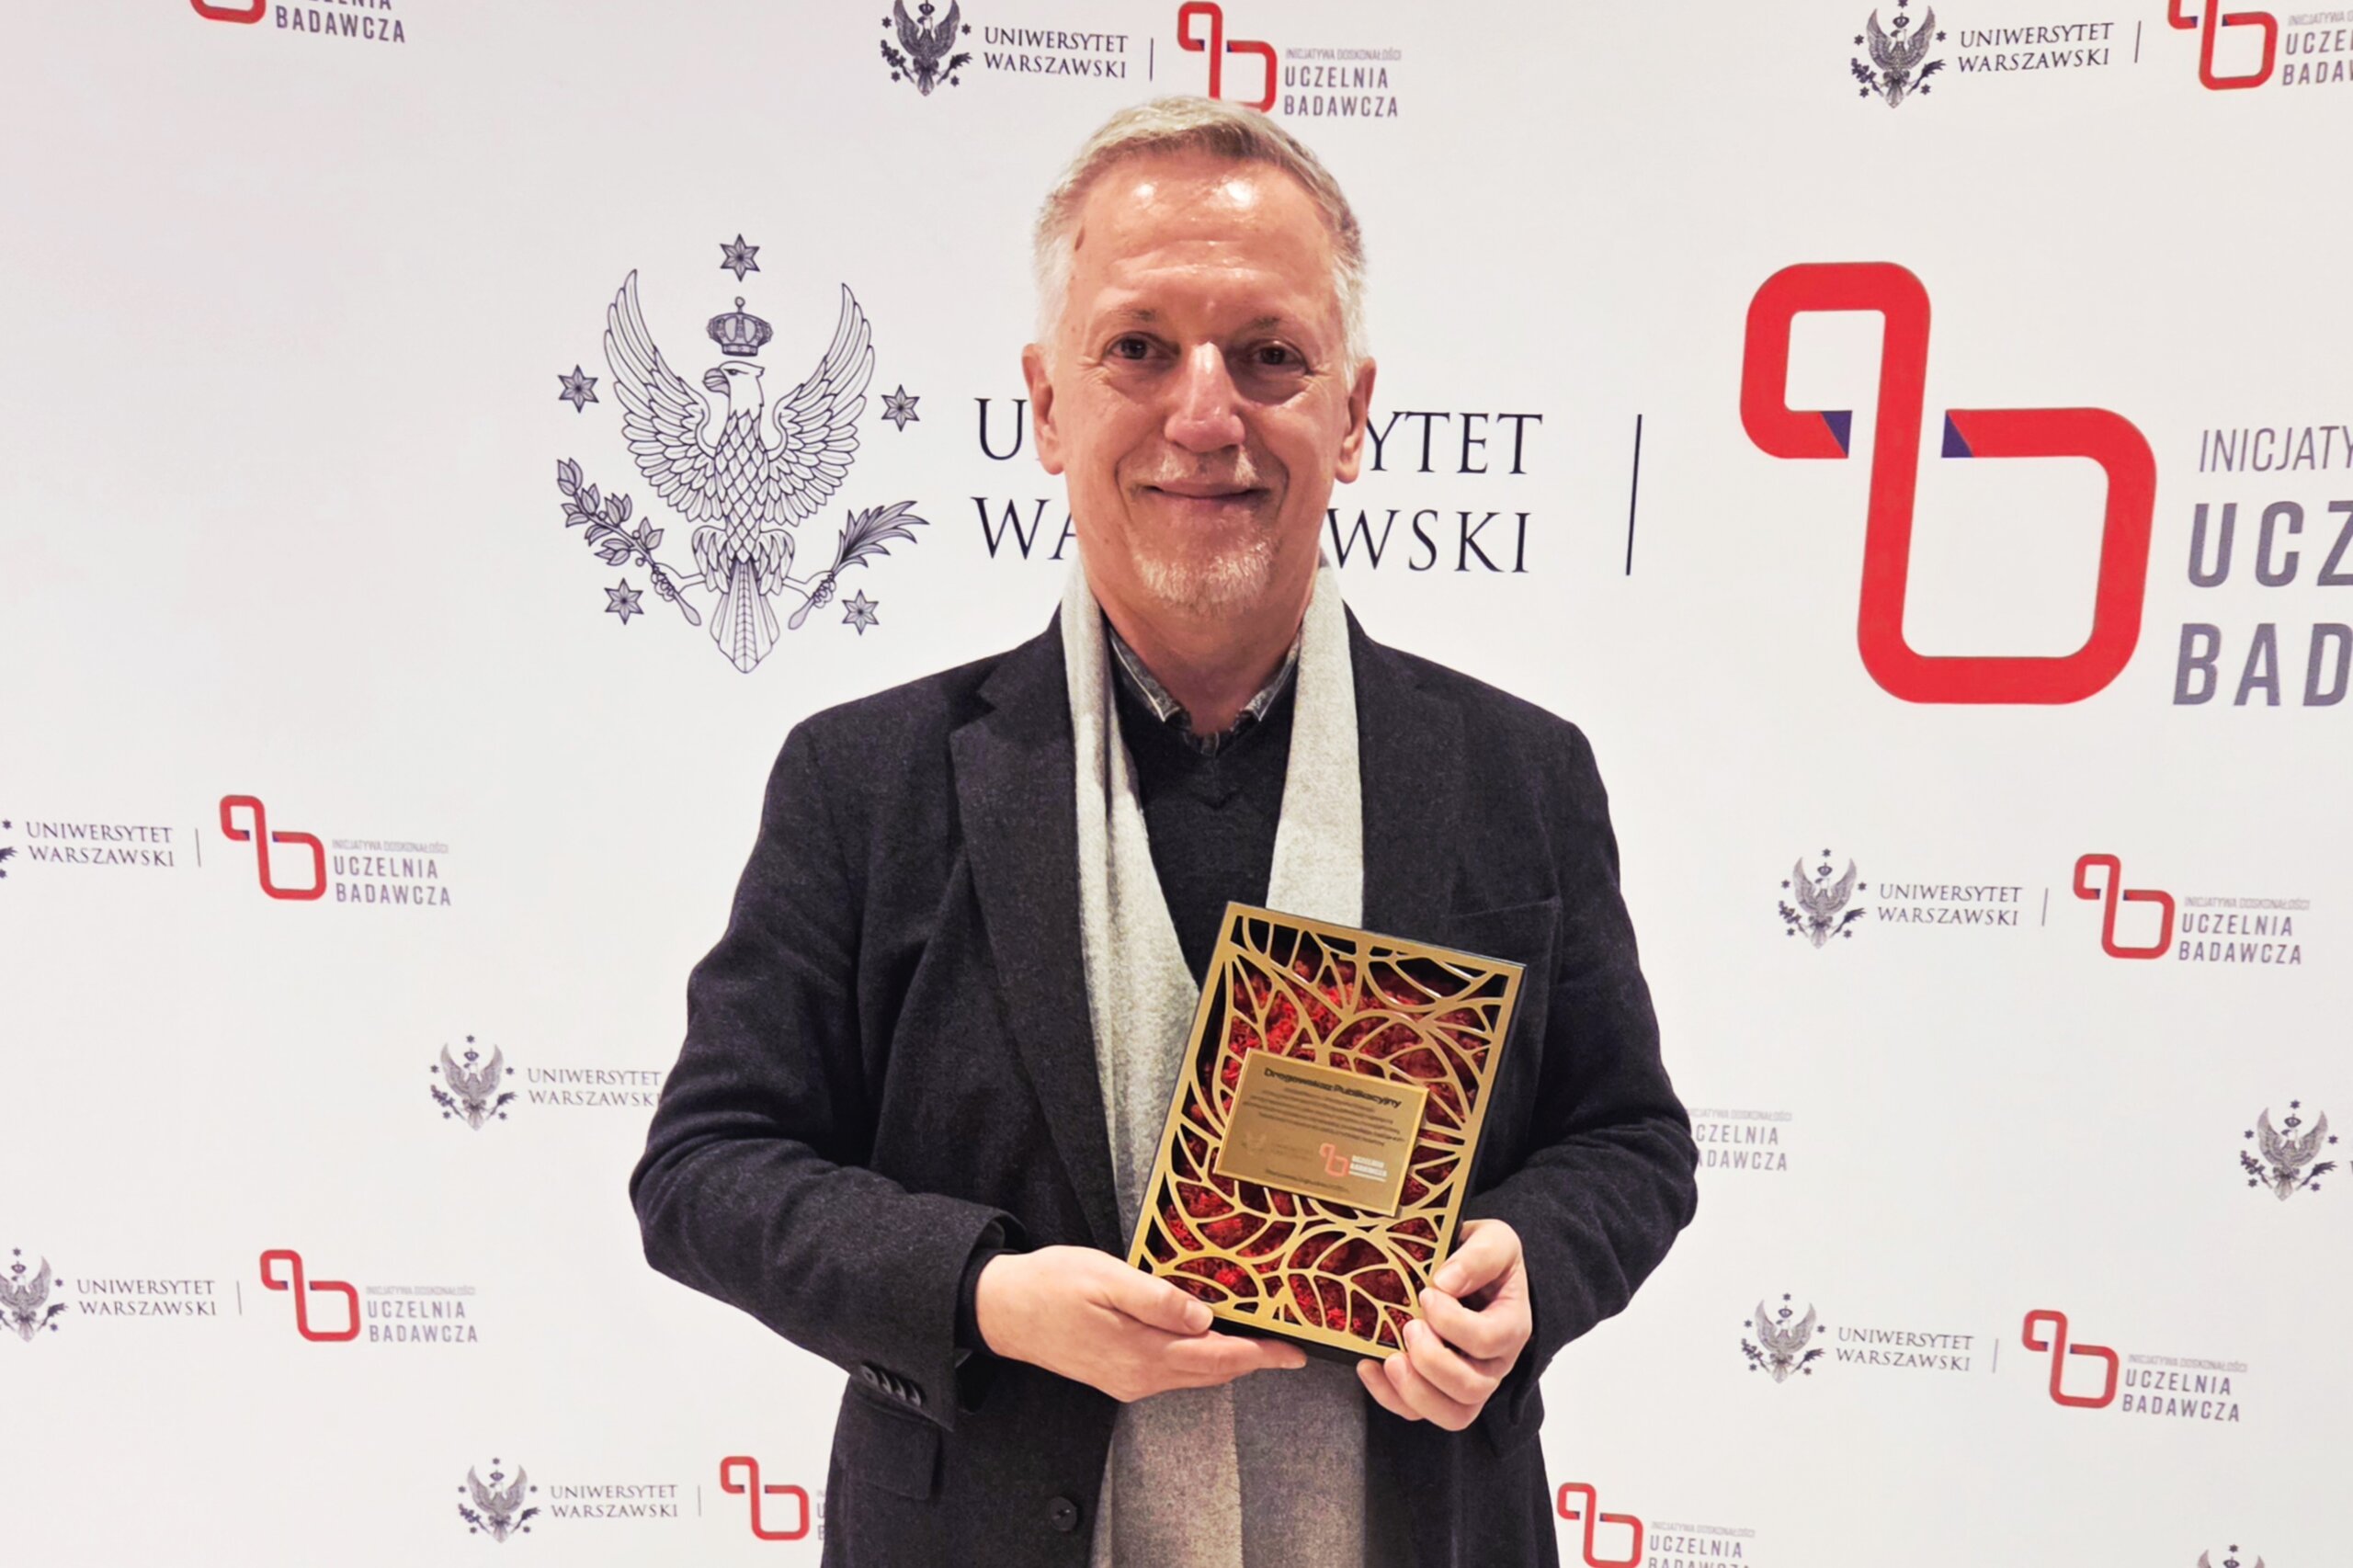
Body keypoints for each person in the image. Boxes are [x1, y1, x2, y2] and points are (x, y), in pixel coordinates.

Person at [630, 96, 1697, 1568]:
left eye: (1269, 355)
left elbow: (1629, 1139)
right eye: (1139, 348)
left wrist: (1530, 1266)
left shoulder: (1523, 774)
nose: (1206, 415)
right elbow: (706, 1167)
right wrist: (986, 1295)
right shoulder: (864, 781)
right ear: (1046, 402)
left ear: (1352, 411)